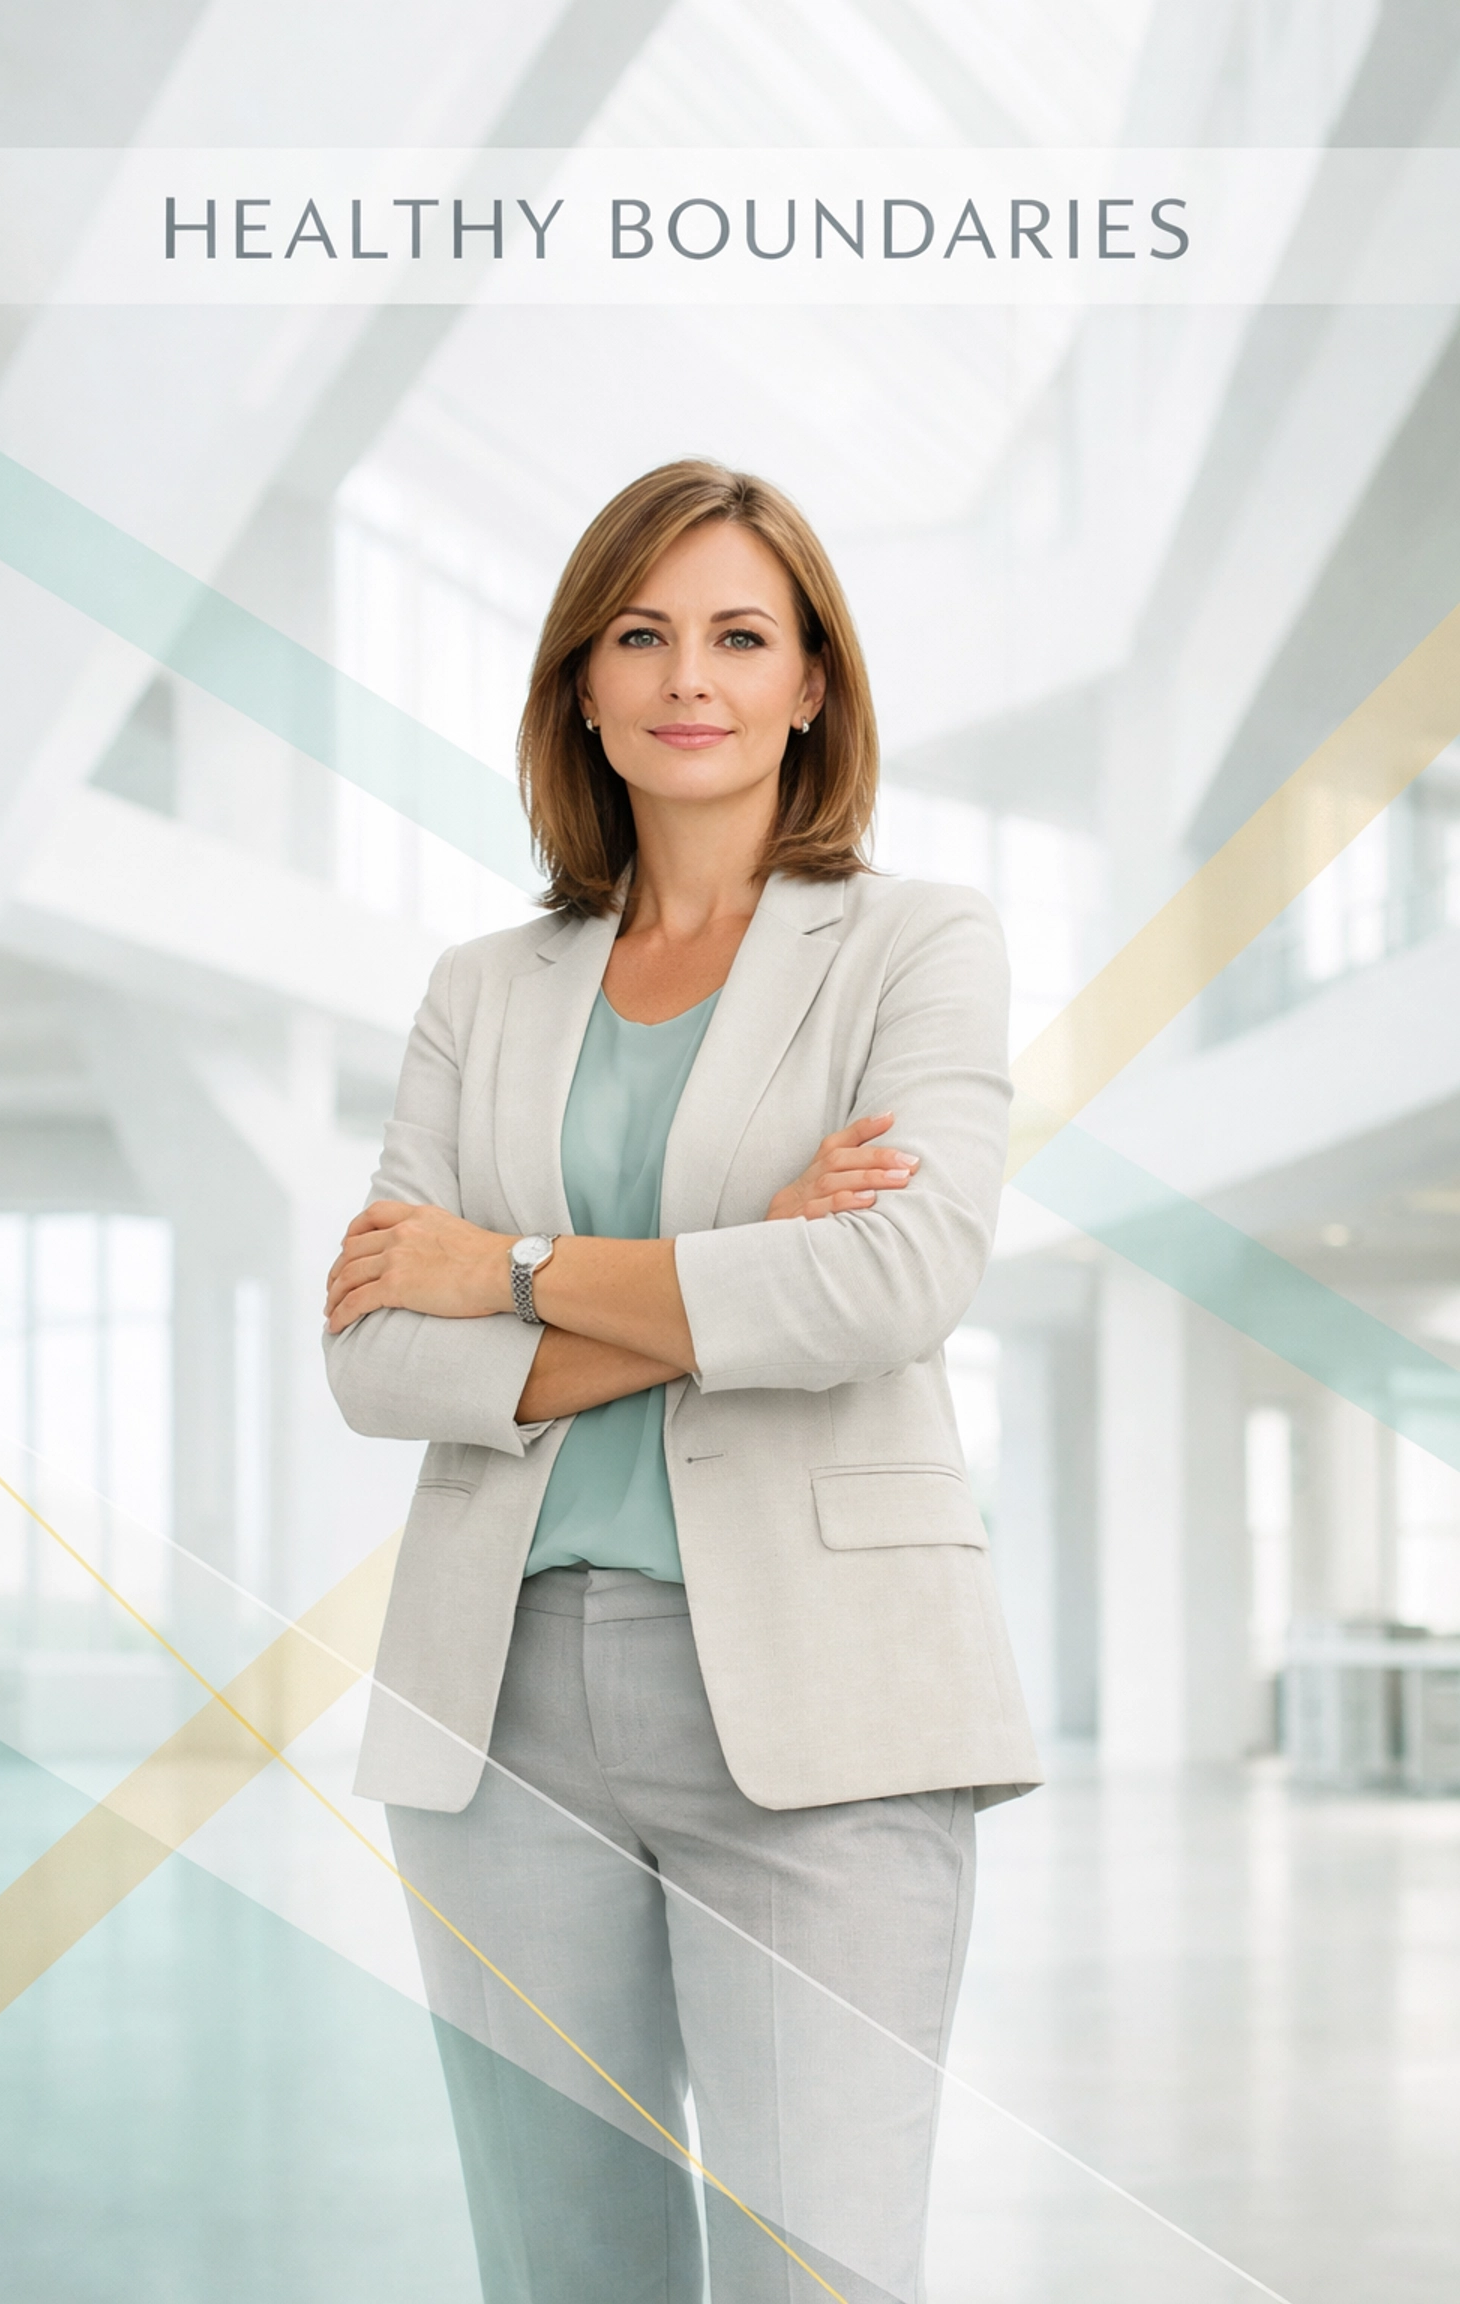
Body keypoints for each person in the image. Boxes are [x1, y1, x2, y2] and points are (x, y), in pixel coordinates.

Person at [323, 459, 1040, 2303]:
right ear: (580, 682)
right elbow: (379, 1356)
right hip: (505, 1710)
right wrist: (729, 1275)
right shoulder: (486, 988)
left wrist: (515, 1273)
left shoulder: (915, 944)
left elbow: (886, 1281)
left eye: (741, 634)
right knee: (567, 2276)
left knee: (822, 2267)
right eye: (639, 634)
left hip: (825, 1711)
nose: (688, 676)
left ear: (815, 683)